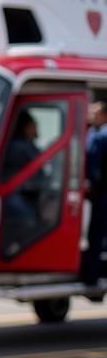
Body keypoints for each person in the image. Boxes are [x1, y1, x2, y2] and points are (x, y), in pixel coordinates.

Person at [81, 101, 107, 286]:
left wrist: (92, 185)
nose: (91, 115)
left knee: (97, 233)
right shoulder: (94, 132)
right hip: (99, 191)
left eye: (95, 112)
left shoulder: (101, 136)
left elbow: (95, 165)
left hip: (102, 191)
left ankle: (92, 275)